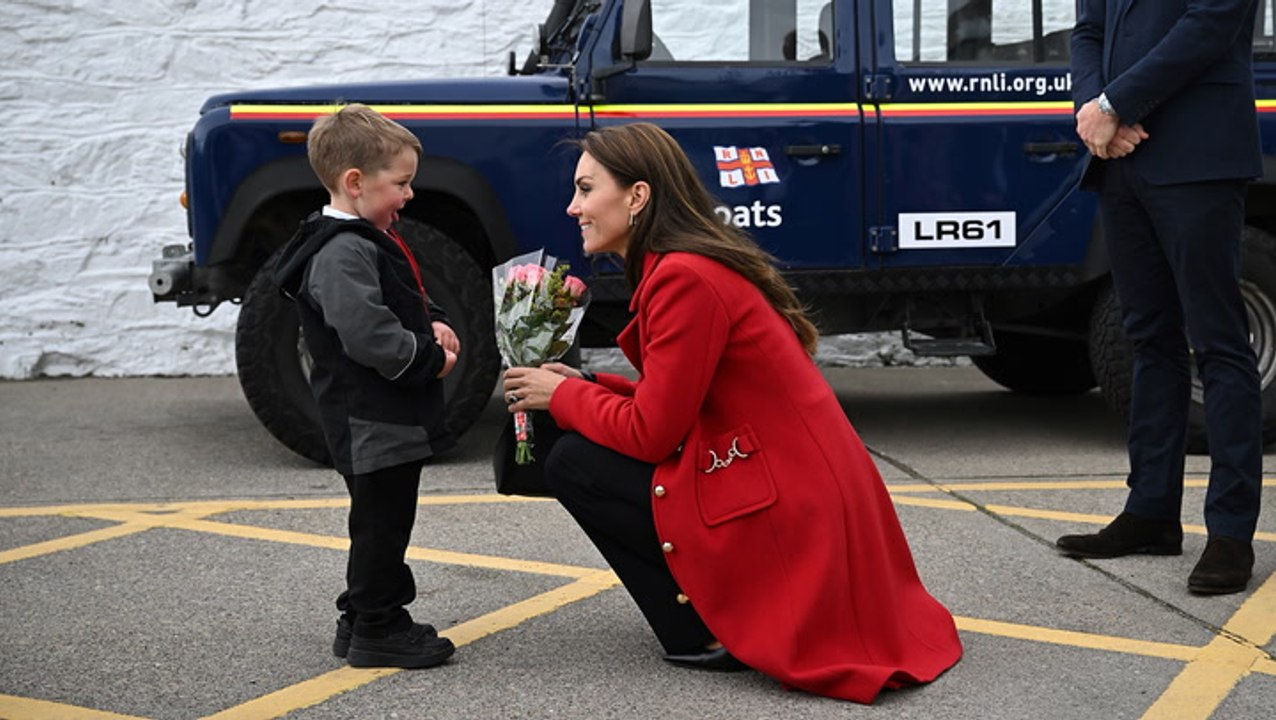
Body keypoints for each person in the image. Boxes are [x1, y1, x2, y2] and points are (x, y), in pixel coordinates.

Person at [502, 123, 962, 703]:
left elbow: (651, 433)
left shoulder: (682, 277)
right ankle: (706, 610)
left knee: (572, 460)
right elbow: (680, 399)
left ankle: (698, 631)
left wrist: (564, 398)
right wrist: (588, 384)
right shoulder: (684, 265)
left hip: (787, 501)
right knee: (574, 444)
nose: (574, 207)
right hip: (792, 481)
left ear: (637, 197)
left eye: (587, 189)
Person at [1057, 1, 1263, 595]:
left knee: (1219, 342)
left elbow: (1207, 25)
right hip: (1123, 159)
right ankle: (1149, 512)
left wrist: (1114, 105)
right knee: (1148, 338)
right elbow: (1088, 30)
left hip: (1199, 156)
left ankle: (1230, 533)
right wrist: (1093, 111)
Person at [273, 104, 459, 668]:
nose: (408, 195)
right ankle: (379, 626)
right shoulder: (341, 249)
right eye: (400, 183)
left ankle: (359, 617)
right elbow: (368, 333)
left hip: (379, 419)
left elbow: (393, 293)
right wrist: (429, 359)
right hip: (371, 418)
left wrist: (430, 317)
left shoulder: (358, 235)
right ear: (355, 183)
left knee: (379, 520)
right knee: (382, 524)